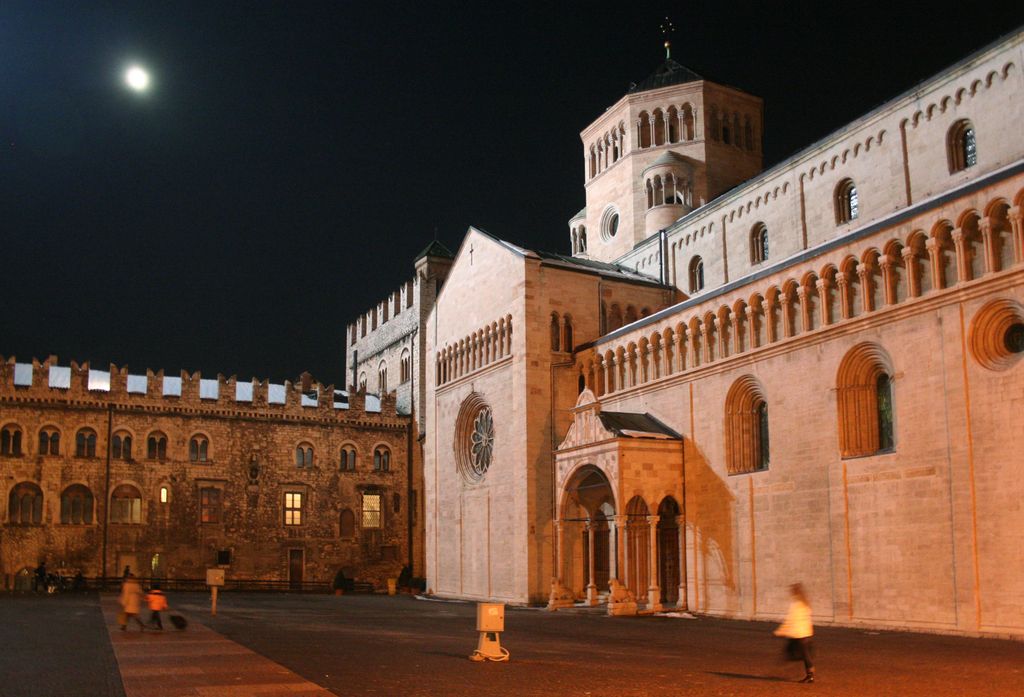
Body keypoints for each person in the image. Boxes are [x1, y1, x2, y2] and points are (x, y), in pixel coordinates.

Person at [774, 582, 815, 683]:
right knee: (805, 655)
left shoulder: (796, 605)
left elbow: (790, 620)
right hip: (806, 633)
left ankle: (809, 675)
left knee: (798, 654)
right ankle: (809, 674)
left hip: (799, 634)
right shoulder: (806, 603)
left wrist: (779, 632)